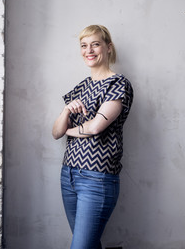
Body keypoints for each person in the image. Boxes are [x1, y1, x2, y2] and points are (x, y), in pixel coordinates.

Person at [52, 25, 134, 249]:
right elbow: (55, 132)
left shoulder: (118, 84)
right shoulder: (81, 87)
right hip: (68, 175)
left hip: (97, 179)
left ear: (108, 47)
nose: (89, 50)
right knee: (88, 245)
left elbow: (96, 126)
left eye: (95, 44)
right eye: (84, 45)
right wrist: (67, 110)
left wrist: (70, 130)